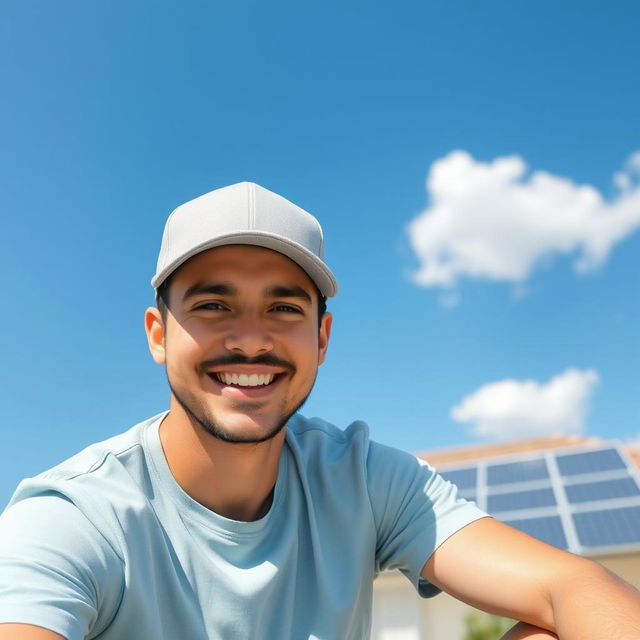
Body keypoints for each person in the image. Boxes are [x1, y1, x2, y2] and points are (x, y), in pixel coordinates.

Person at [0, 183, 638, 640]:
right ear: (158, 334)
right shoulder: (74, 518)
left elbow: (577, 589)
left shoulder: (362, 479)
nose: (251, 339)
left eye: (284, 309)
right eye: (214, 306)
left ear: (322, 340)